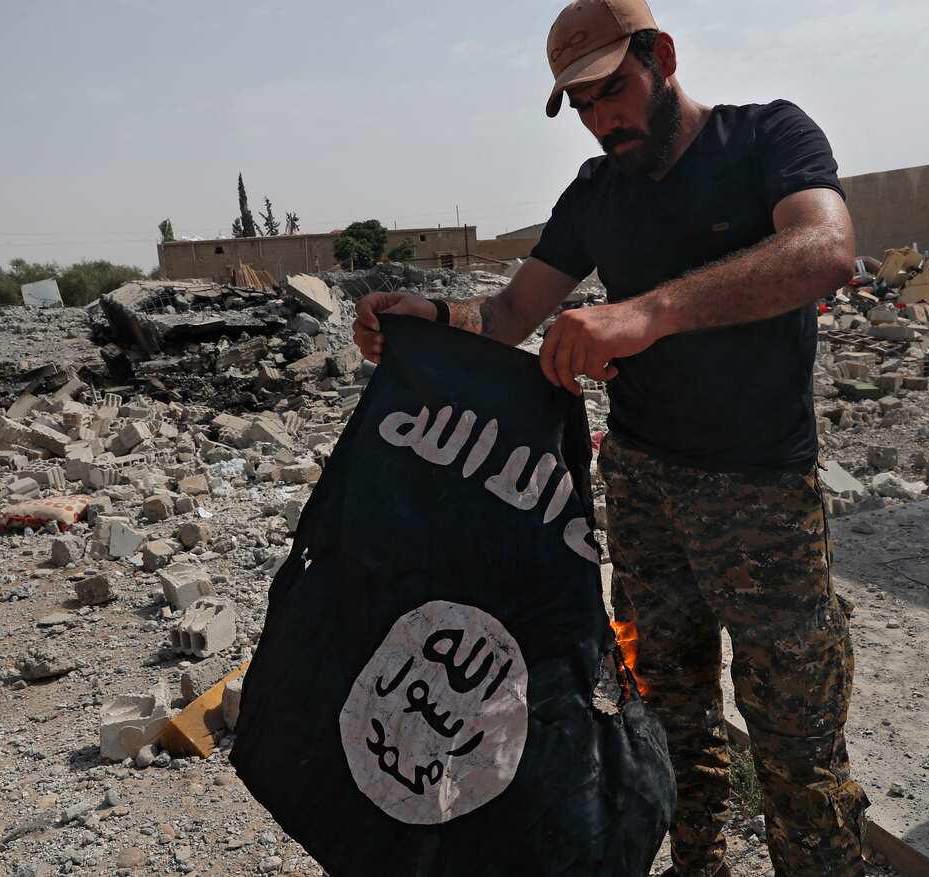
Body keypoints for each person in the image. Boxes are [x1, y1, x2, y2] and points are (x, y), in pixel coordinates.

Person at [353, 0, 869, 874]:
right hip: (644, 491)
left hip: (763, 501)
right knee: (669, 720)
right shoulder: (597, 192)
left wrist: (644, 314)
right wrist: (427, 318)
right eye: (580, 106)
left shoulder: (766, 139)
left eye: (610, 93)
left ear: (661, 55)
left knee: (797, 746)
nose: (599, 121)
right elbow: (512, 311)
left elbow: (825, 250)